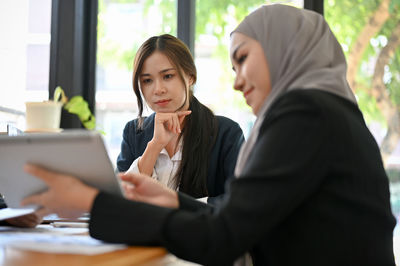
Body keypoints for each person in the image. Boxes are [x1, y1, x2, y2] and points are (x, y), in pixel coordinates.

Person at [21, 4, 396, 266]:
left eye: (243, 58)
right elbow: (242, 217)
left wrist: (92, 203)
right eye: (147, 81)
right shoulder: (324, 111)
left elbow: (224, 235)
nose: (235, 82)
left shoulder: (304, 114)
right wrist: (172, 202)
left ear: (285, 48)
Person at [116, 34, 244, 203]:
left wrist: (178, 205)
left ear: (190, 76)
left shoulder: (226, 133)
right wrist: (154, 146)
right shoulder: (134, 132)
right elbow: (120, 202)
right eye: (147, 80)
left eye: (168, 76)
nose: (158, 89)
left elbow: (239, 201)